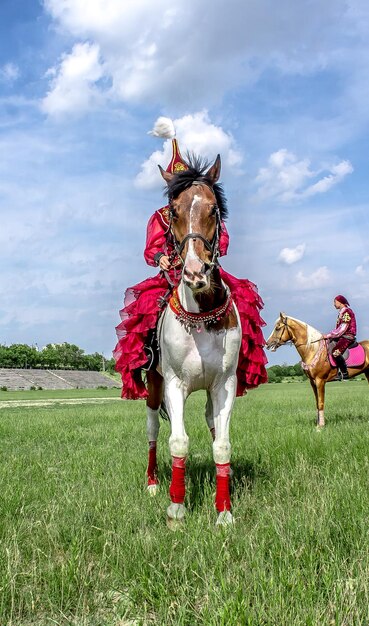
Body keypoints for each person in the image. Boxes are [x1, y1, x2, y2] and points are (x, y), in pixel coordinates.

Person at [113, 137, 268, 400]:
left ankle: (236, 362)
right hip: (172, 274)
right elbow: (151, 247)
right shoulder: (162, 215)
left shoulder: (204, 208)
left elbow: (223, 237)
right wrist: (160, 256)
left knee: (243, 301)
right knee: (146, 308)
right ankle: (151, 358)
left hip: (206, 265)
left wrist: (208, 252)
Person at [323, 294, 357, 381]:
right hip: (342, 336)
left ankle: (344, 373)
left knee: (335, 352)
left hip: (347, 336)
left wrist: (328, 335)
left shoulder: (347, 312)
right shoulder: (342, 312)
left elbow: (342, 328)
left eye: (335, 302)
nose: (334, 304)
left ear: (340, 302)